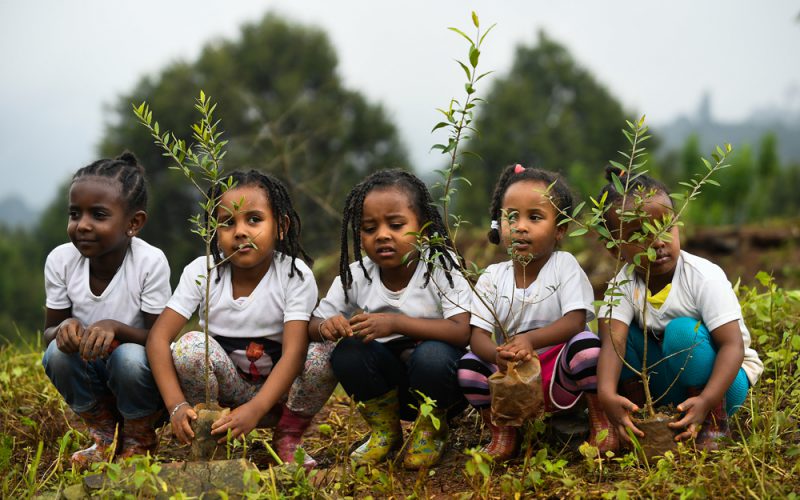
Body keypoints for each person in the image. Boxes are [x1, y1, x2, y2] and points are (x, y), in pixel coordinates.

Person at [146, 170, 318, 465]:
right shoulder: (202, 271)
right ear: (213, 231)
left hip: (279, 397)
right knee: (189, 346)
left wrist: (257, 408)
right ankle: (209, 435)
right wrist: (176, 406)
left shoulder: (294, 275)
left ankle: (288, 436)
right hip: (225, 394)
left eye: (254, 219)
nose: (240, 231)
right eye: (227, 222)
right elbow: (158, 339)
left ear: (281, 226)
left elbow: (295, 352)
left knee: (323, 351)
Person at [305, 169, 471, 470]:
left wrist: (394, 324)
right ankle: (385, 431)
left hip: (441, 385)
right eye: (369, 228)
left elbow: (461, 332)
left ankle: (431, 431)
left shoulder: (441, 266)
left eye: (396, 225)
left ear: (422, 228)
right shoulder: (357, 274)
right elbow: (313, 323)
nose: (382, 235)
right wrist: (326, 326)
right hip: (390, 386)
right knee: (348, 351)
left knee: (432, 354)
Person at [595, 166, 763, 451]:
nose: (658, 242)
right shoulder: (622, 284)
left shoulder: (702, 276)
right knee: (618, 336)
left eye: (665, 227)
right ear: (614, 248)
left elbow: (732, 346)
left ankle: (712, 421)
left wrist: (707, 401)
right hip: (669, 385)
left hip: (723, 383)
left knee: (682, 332)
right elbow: (615, 343)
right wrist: (606, 393)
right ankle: (641, 415)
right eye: (640, 235)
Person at [457, 164, 614, 460]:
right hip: (511, 376)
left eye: (535, 217)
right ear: (498, 223)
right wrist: (496, 357)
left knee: (586, 348)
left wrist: (530, 341)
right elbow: (477, 336)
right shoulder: (492, 276)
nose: (521, 226)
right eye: (511, 217)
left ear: (560, 230)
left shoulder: (563, 265)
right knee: (469, 365)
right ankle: (503, 432)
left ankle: (600, 423)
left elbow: (575, 321)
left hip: (558, 375)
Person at [42, 152, 171, 468]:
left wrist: (117, 328)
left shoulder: (149, 263)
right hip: (92, 377)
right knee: (55, 355)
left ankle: (139, 436)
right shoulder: (61, 260)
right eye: (75, 214)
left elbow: (161, 340)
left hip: (141, 380)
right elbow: (47, 334)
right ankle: (104, 435)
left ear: (134, 223)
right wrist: (63, 330)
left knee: (128, 357)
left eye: (98, 215)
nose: (82, 225)